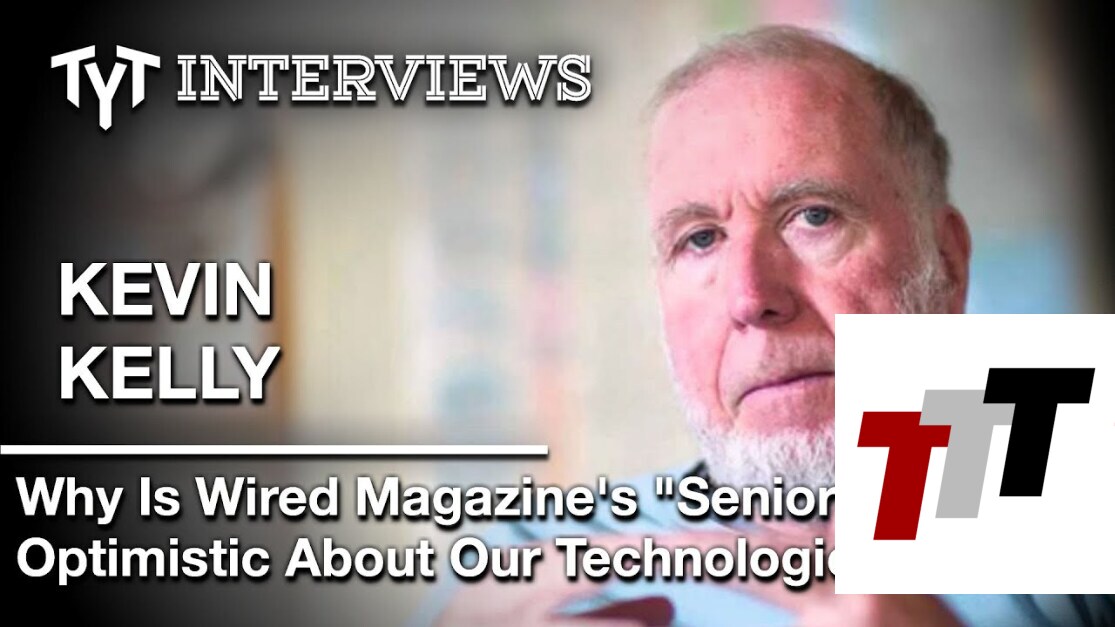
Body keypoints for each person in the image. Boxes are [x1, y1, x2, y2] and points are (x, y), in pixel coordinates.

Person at [420, 25, 1113, 626]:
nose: (751, 297)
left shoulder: (1070, 476)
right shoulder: (533, 561)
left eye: (813, 217)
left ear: (948, 263)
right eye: (699, 239)